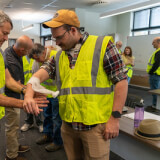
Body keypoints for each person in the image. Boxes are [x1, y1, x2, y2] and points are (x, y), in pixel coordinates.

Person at [23, 9, 128, 160]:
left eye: (59, 37)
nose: (56, 43)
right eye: (54, 38)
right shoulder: (59, 56)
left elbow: (121, 81)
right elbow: (40, 74)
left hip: (95, 127)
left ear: (72, 30)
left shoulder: (102, 45)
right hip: (68, 127)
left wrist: (115, 118)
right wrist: (28, 93)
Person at [29, 43, 63, 152]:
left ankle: (57, 141)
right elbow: (35, 76)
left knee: (57, 119)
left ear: (44, 52)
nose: (37, 61)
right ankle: (47, 135)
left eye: (38, 58)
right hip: (46, 93)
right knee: (47, 115)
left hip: (57, 93)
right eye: (35, 59)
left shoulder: (56, 55)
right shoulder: (36, 61)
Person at [4, 35, 33, 160]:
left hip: (15, 94)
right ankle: (12, 155)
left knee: (14, 126)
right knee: (12, 127)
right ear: (22, 50)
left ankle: (15, 146)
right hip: (10, 97)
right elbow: (13, 83)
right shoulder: (11, 61)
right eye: (27, 51)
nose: (28, 54)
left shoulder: (13, 51)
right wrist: (29, 93)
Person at [21, 55, 43, 132]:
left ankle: (40, 123)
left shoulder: (36, 57)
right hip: (25, 87)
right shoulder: (21, 58)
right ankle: (29, 122)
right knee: (27, 105)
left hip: (36, 86)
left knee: (37, 105)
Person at [146, 37, 160, 112]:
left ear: (158, 43)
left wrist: (151, 72)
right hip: (156, 75)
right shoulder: (157, 51)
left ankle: (155, 105)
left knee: (154, 91)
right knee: (156, 90)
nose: (152, 44)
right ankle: (156, 104)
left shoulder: (159, 51)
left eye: (153, 42)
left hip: (155, 75)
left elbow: (157, 64)